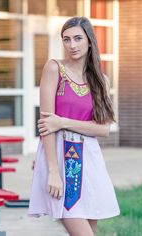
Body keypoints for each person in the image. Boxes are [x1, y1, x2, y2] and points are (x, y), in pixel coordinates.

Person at [28, 16, 120, 236]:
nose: (72, 45)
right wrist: (53, 171)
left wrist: (63, 122)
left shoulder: (100, 80)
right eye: (66, 39)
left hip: (90, 159)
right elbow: (46, 125)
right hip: (60, 158)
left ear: (89, 41)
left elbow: (103, 129)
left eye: (78, 38)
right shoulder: (54, 69)